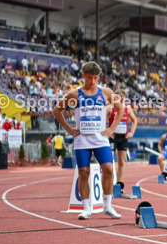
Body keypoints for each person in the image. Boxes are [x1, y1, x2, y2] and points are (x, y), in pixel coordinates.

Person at [52, 62, 123, 220]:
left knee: (109, 170)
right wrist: (69, 129)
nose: (93, 81)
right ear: (83, 75)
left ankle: (108, 206)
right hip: (82, 140)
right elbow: (57, 110)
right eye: (90, 78)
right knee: (83, 173)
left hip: (100, 139)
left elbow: (120, 109)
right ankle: (86, 208)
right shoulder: (74, 94)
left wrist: (111, 129)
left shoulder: (105, 92)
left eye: (96, 78)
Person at [109, 89, 138, 192]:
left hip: (123, 137)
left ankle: (119, 184)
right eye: (118, 96)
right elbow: (102, 119)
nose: (120, 97)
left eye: (122, 96)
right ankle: (109, 182)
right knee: (110, 159)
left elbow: (134, 120)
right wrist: (107, 131)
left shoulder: (127, 109)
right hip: (113, 137)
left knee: (121, 161)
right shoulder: (110, 107)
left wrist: (132, 132)